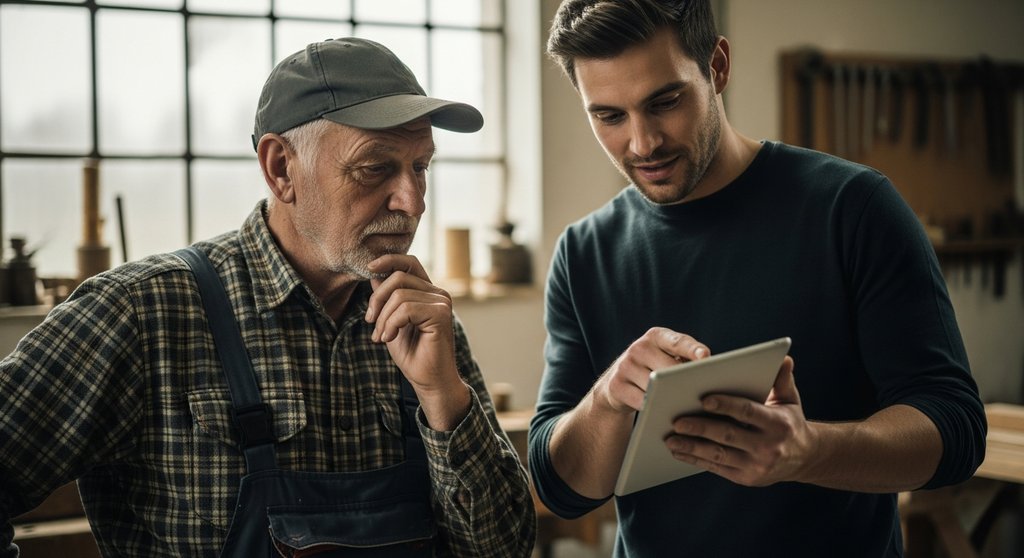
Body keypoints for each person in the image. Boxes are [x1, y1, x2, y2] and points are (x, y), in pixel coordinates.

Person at [0, 37, 535, 557]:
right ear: (281, 168)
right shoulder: (142, 313)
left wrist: (444, 395)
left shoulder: (423, 321)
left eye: (421, 166)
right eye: (375, 167)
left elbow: (504, 545)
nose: (413, 201)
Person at [527, 1, 987, 556]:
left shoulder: (852, 209)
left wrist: (809, 451)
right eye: (609, 116)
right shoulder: (583, 253)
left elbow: (956, 429)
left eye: (665, 101)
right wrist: (607, 400)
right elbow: (562, 488)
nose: (643, 143)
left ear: (717, 67)